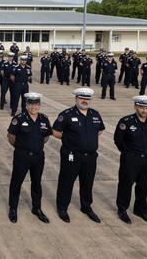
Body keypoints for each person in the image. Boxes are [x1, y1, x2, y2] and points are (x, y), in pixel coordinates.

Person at [53, 88, 105, 223]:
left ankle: (86, 207)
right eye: (82, 98)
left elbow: (99, 131)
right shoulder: (67, 114)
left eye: (87, 99)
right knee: (66, 182)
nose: (85, 101)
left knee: (87, 182)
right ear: (76, 99)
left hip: (90, 156)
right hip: (72, 155)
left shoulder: (95, 114)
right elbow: (56, 131)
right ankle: (62, 208)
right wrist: (70, 139)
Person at [6, 92, 52, 223]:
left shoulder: (44, 119)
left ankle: (36, 208)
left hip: (38, 157)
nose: (34, 107)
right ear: (26, 105)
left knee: (36, 183)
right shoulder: (19, 118)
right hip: (22, 156)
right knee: (16, 182)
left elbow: (46, 136)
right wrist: (22, 148)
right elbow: (11, 136)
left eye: (36, 104)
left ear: (40, 105)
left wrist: (36, 146)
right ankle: (13, 208)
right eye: (31, 104)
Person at [114, 95, 147, 224]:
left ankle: (140, 210)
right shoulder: (126, 121)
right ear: (135, 107)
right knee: (125, 184)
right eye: (141, 107)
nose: (144, 110)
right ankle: (122, 209)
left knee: (144, 186)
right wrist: (128, 153)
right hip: (131, 159)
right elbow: (118, 140)